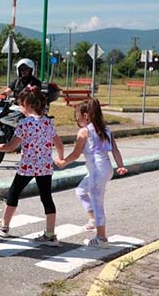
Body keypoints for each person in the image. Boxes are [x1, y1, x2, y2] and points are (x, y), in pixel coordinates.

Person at [0, 87, 65, 247]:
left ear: (27, 104)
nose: (20, 107)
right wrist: (61, 158)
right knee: (46, 198)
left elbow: (10, 147)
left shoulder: (24, 124)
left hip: (27, 166)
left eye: (21, 104)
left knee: (14, 193)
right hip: (45, 167)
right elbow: (59, 144)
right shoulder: (48, 122)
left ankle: (4, 226)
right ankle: (50, 234)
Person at [55, 99, 128, 248]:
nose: (76, 120)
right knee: (81, 191)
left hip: (97, 171)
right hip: (105, 169)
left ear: (86, 115)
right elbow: (115, 150)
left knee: (97, 202)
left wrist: (63, 163)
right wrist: (120, 165)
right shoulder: (106, 130)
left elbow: (75, 154)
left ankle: (101, 238)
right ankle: (94, 220)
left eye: (78, 116)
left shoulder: (85, 132)